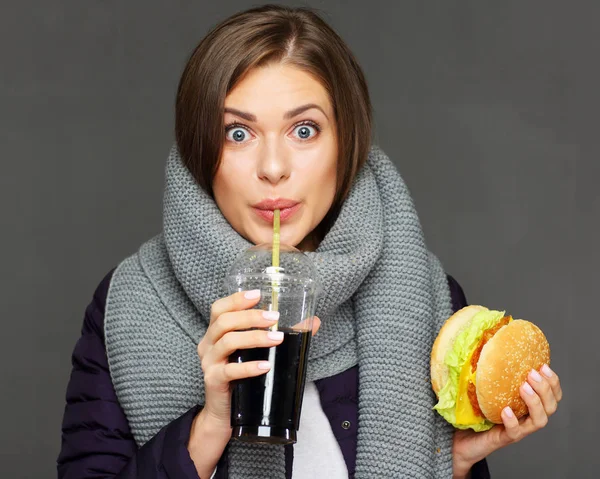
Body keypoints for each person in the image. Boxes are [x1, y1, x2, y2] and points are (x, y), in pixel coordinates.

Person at [57, 5, 562, 478]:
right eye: (237, 133)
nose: (272, 168)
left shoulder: (426, 298)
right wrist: (209, 425)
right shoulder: (128, 305)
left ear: (347, 142)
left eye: (304, 130)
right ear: (198, 148)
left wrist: (449, 466)